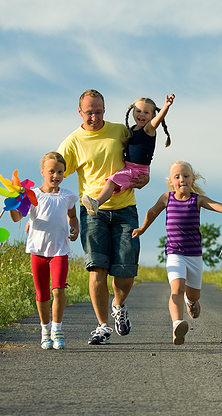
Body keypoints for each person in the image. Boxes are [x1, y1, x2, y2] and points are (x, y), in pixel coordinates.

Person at [57, 89, 149, 345]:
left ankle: (118, 305)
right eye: (89, 113)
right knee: (97, 267)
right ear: (80, 112)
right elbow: (55, 175)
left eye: (99, 112)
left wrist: (145, 178)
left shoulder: (120, 131)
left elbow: (141, 159)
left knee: (125, 271)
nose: (95, 117)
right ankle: (102, 326)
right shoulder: (72, 142)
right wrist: (60, 211)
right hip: (93, 211)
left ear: (104, 110)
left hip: (125, 208)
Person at [132, 161, 222, 345]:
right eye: (177, 177)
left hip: (194, 256)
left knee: (193, 295)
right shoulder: (167, 198)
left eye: (185, 175)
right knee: (176, 288)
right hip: (174, 253)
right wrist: (142, 229)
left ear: (192, 180)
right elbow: (152, 212)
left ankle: (190, 302)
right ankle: (177, 324)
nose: (181, 179)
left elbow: (221, 207)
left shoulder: (197, 200)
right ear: (171, 182)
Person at [8, 152, 79, 350]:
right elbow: (16, 217)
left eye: (60, 172)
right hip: (38, 251)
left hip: (59, 250)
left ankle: (57, 329)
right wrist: (14, 199)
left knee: (58, 289)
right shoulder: (33, 195)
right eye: (51, 171)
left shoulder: (67, 196)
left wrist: (75, 227)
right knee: (42, 293)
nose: (55, 175)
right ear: (42, 172)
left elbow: (72, 217)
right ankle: (45, 330)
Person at [82, 94, 175, 216]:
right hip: (129, 167)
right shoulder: (131, 129)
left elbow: (158, 119)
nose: (141, 114)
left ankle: (96, 203)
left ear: (153, 116)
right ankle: (97, 202)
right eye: (138, 111)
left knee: (111, 182)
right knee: (112, 182)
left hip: (136, 170)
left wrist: (166, 106)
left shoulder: (148, 129)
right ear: (133, 111)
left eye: (146, 112)